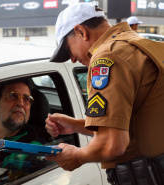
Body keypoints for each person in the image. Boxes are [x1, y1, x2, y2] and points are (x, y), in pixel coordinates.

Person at [45, 3, 164, 185]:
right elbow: (134, 123)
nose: (74, 59)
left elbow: (112, 143)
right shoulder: (143, 46)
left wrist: (77, 156)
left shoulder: (107, 57)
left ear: (81, 32)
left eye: (69, 51)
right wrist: (76, 126)